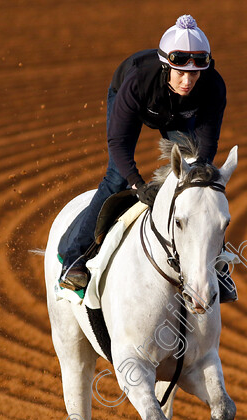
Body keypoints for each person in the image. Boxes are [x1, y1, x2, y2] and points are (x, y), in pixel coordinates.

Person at [58, 14, 237, 303]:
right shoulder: (138, 81)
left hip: (176, 114)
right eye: (180, 72)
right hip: (138, 100)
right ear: (167, 65)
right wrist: (138, 185)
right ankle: (73, 261)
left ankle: (217, 267)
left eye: (195, 73)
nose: (188, 81)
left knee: (198, 185)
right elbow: (118, 143)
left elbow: (207, 145)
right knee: (116, 176)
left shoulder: (213, 86)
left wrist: (200, 169)